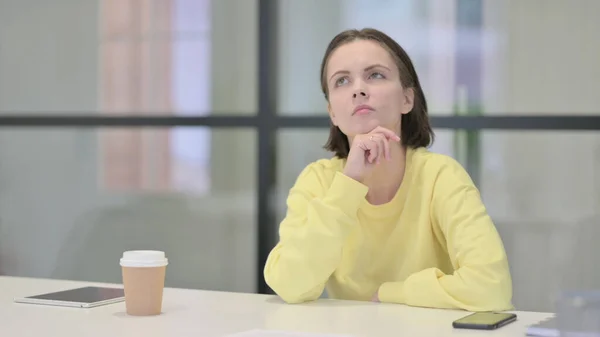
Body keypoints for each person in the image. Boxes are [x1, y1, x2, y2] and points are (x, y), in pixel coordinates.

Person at [263, 28, 513, 312]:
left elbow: (492, 288)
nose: (358, 89)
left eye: (375, 75)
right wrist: (350, 183)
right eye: (342, 81)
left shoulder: (441, 176)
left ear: (407, 99)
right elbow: (290, 285)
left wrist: (393, 293)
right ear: (332, 111)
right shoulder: (317, 181)